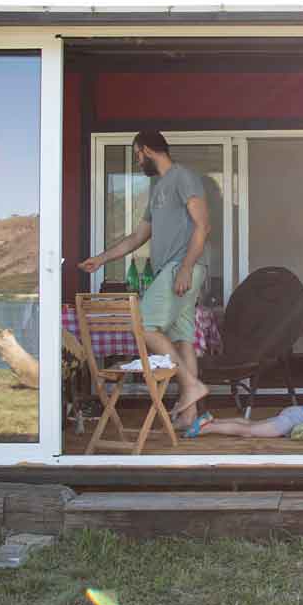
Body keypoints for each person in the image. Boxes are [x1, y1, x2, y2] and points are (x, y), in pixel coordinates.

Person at [78, 130, 211, 430]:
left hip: (181, 267)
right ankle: (192, 417)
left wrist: (187, 268)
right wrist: (101, 258)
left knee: (143, 325)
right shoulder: (158, 187)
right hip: (173, 269)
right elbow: (139, 236)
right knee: (182, 339)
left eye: (137, 154)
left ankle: (191, 385)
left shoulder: (183, 177)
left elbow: (204, 225)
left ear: (147, 149)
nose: (138, 161)